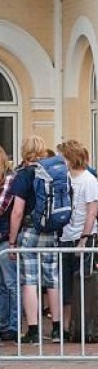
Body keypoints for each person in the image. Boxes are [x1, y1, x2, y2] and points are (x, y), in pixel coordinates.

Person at [7, 135, 62, 344]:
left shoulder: (24, 175)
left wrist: (12, 241)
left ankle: (34, 330)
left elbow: (18, 212)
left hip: (30, 230)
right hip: (51, 229)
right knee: (52, 279)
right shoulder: (54, 172)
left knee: (29, 280)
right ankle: (57, 328)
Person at [58, 139, 98, 333]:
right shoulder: (64, 178)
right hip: (65, 236)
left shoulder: (89, 180)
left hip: (82, 236)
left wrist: (84, 239)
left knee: (83, 281)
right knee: (64, 284)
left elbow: (92, 212)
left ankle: (83, 325)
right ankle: (66, 326)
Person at [0, 146, 18, 341]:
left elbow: (2, 206)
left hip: (6, 237)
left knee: (11, 284)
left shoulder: (10, 179)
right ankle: (3, 323)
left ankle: (12, 326)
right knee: (2, 285)